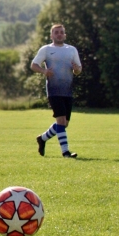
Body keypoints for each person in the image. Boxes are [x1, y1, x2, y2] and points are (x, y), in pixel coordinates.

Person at [31, 23, 82, 158]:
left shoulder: (71, 50)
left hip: (68, 90)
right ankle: (65, 152)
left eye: (61, 32)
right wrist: (44, 71)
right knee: (60, 121)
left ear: (65, 35)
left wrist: (76, 69)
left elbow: (78, 70)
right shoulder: (46, 49)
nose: (59, 34)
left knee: (64, 124)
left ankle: (42, 139)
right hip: (54, 90)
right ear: (51, 35)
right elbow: (34, 65)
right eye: (56, 32)